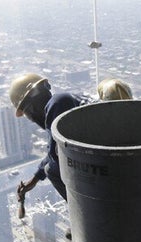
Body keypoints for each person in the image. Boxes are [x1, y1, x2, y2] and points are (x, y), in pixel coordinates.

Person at [10, 73, 91, 203]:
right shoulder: (63, 100)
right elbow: (55, 151)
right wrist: (35, 179)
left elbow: (55, 156)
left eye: (26, 112)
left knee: (51, 170)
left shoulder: (57, 103)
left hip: (106, 152)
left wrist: (41, 173)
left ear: (32, 106)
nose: (30, 118)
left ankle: (83, 210)